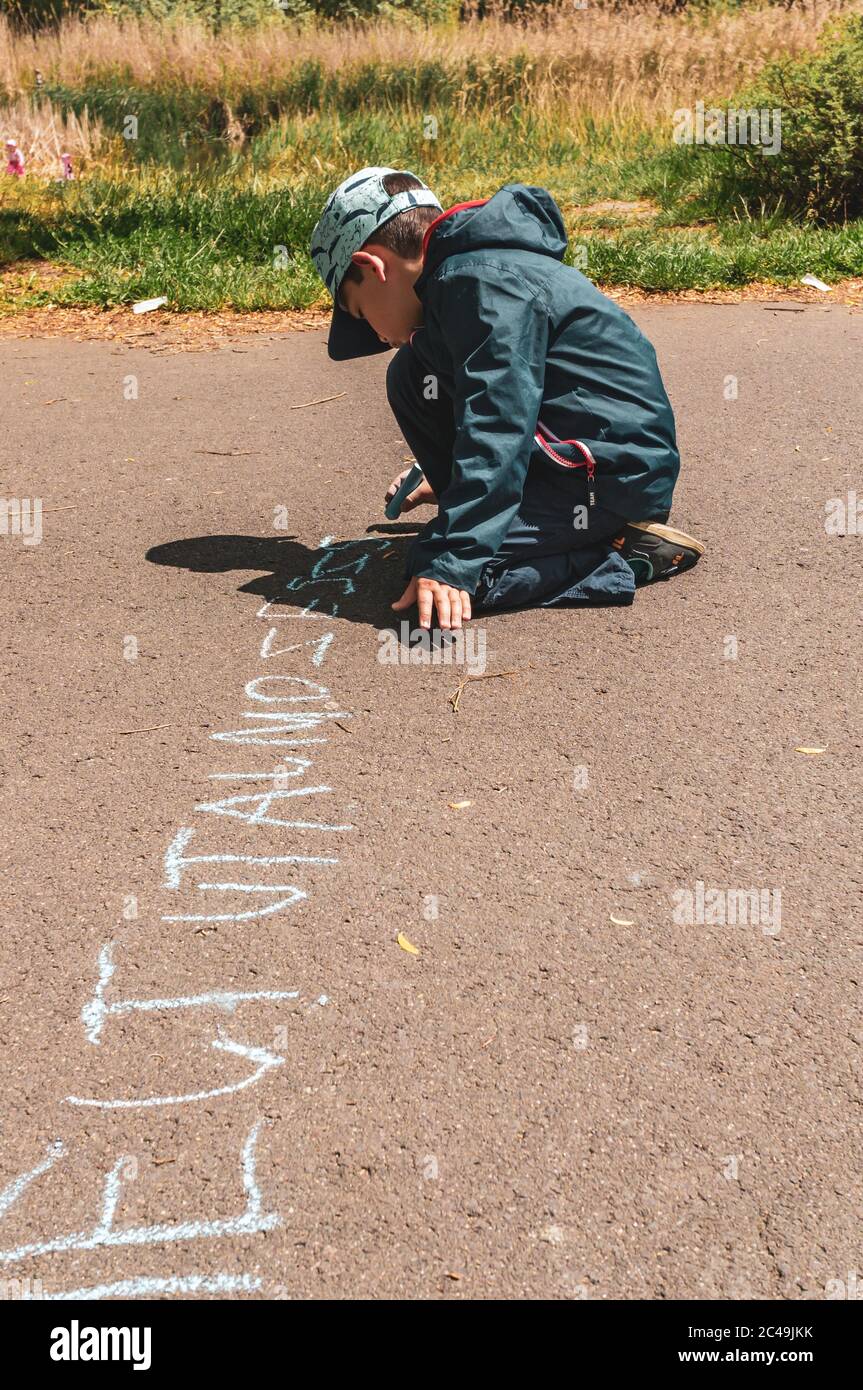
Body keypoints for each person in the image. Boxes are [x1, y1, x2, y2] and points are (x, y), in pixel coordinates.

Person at [310, 166, 704, 630]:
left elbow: (498, 420)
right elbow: (485, 398)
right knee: (411, 373)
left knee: (441, 572)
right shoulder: (457, 280)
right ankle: (491, 518)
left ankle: (623, 554)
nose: (374, 335)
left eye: (361, 314)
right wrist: (453, 478)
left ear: (372, 267)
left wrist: (455, 557)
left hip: (609, 476)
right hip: (569, 456)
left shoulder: (481, 283)